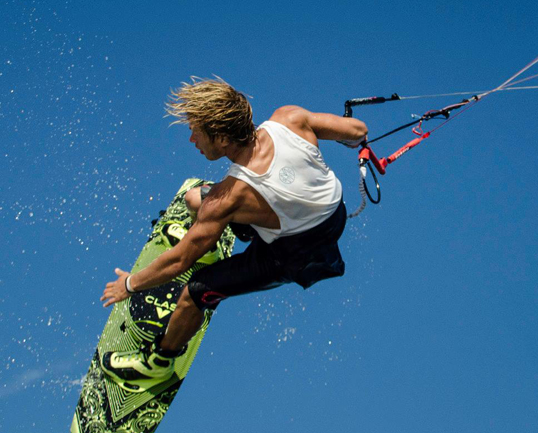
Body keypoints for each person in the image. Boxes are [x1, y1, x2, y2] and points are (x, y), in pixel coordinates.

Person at [99, 77, 368, 385]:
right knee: (193, 198)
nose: (191, 141)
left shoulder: (230, 197)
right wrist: (347, 142)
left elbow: (179, 262)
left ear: (223, 138)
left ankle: (159, 361)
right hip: (334, 214)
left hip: (296, 253)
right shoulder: (288, 118)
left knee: (194, 292)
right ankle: (219, 235)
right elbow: (358, 131)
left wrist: (129, 285)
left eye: (196, 133)